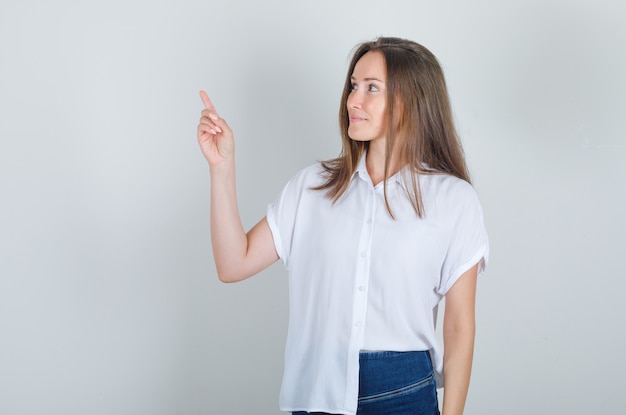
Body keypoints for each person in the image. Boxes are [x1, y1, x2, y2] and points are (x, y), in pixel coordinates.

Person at [197, 36, 489, 415]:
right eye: (353, 86)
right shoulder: (312, 187)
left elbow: (459, 328)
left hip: (404, 391)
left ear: (410, 101)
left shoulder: (454, 200)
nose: (354, 100)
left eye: (372, 88)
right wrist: (221, 168)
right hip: (318, 389)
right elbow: (233, 264)